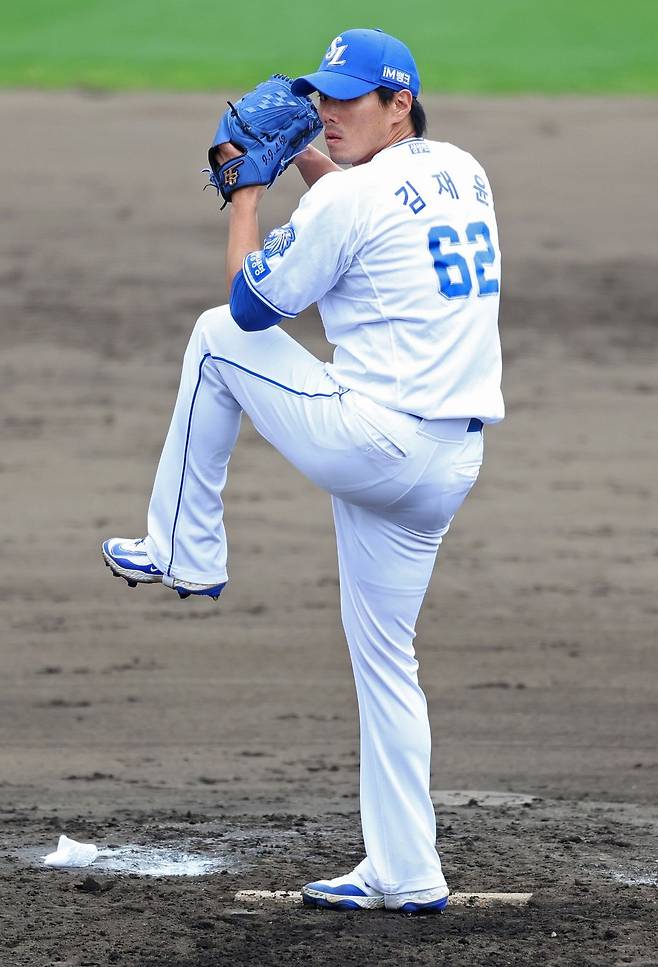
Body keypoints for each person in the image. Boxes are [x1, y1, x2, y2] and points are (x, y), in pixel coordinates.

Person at [102, 28, 503, 913]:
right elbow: (365, 216)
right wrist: (310, 170)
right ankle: (407, 868)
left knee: (213, 338)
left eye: (349, 98)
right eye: (324, 94)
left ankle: (185, 546)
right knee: (384, 661)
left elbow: (252, 304)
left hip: (377, 442)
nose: (326, 111)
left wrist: (249, 191)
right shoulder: (461, 170)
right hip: (446, 462)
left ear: (400, 104)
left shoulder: (350, 201)